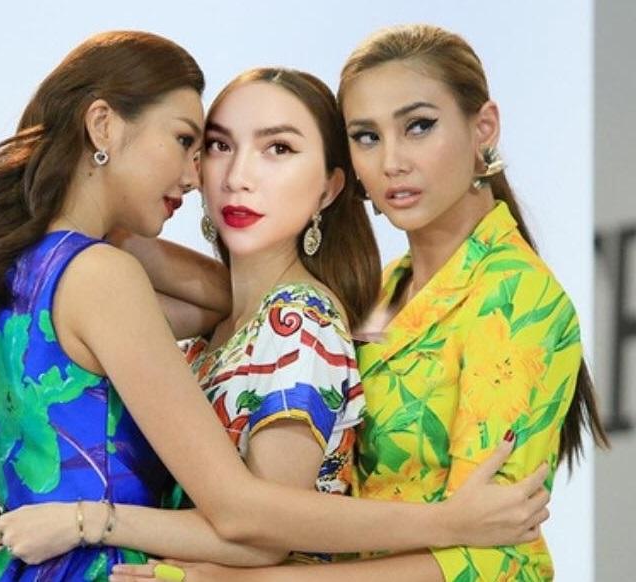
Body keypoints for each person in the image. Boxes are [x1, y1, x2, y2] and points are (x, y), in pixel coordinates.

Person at [0, 31, 551, 582]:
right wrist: (19, 525)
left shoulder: (297, 325)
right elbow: (221, 306)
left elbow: (253, 526)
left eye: (278, 149)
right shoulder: (167, 305)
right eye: (210, 146)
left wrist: (82, 520)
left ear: (330, 187)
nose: (218, 175)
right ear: (102, 127)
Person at [108, 23, 609, 582]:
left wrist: (245, 581)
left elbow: (497, 556)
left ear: (483, 128)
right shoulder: (382, 290)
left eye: (419, 126)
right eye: (367, 136)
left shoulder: (513, 296)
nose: (392, 161)